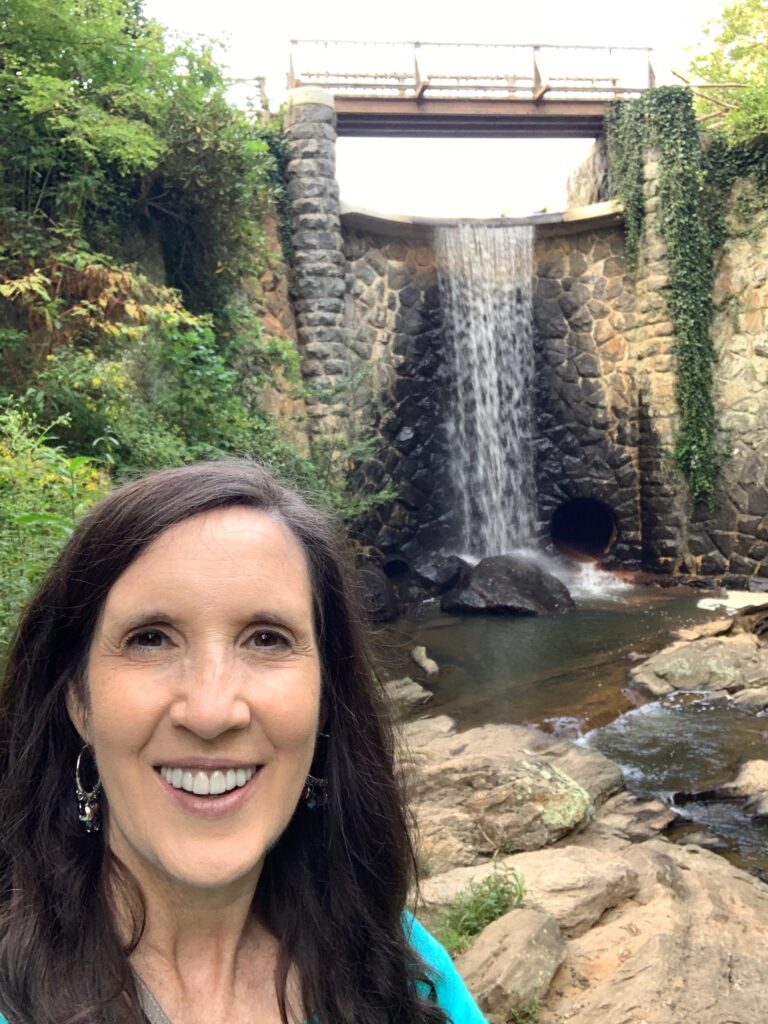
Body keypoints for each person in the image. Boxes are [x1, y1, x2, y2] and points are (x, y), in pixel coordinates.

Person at [0, 461, 486, 1024]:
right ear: (78, 702)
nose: (210, 712)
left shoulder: (396, 962)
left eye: (266, 639)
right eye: (151, 639)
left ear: (326, 699)